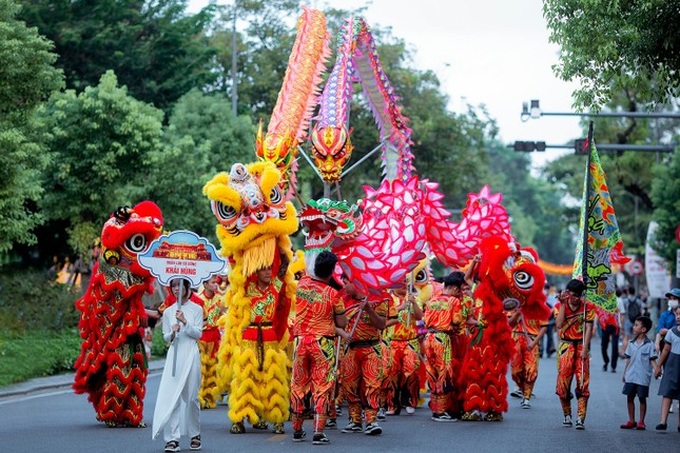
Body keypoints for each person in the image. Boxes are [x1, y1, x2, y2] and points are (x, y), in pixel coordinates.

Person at [290, 251, 347, 445]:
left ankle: (297, 430)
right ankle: (318, 432)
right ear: (332, 272)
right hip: (323, 343)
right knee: (322, 387)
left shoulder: (302, 285)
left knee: (298, 385)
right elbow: (342, 322)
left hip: (300, 342)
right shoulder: (333, 295)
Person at [152, 278, 204, 453]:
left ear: (187, 287)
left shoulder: (197, 309)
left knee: (191, 398)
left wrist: (185, 322)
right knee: (172, 398)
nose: (176, 289)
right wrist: (173, 332)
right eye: (173, 286)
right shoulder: (168, 312)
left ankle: (194, 434)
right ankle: (172, 439)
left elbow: (197, 334)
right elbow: (166, 337)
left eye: (180, 285)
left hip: (190, 353)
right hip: (174, 355)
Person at [340, 276, 389, 435]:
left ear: (356, 282)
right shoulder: (343, 300)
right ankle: (355, 420)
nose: (345, 286)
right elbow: (335, 323)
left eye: (346, 282)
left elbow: (381, 325)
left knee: (372, 385)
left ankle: (371, 421)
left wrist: (368, 309)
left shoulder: (377, 298)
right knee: (349, 385)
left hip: (371, 348)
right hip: (351, 349)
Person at [422, 272, 467, 422]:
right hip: (442, 339)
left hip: (428, 338)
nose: (461, 293)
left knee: (432, 372)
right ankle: (440, 412)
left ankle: (435, 408)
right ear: (454, 288)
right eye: (460, 290)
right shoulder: (453, 301)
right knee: (444, 373)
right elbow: (456, 321)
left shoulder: (432, 300)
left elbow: (425, 320)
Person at [554, 279, 594, 430]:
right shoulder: (560, 305)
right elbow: (558, 324)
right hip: (566, 346)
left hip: (581, 347)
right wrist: (564, 304)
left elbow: (589, 328)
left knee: (583, 382)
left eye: (577, 296)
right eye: (572, 295)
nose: (574, 299)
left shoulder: (587, 307)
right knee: (563, 384)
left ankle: (580, 418)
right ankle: (567, 415)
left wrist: (585, 348)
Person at [619, 316, 658, 430]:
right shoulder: (631, 343)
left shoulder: (650, 345)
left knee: (642, 398)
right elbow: (628, 359)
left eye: (636, 325)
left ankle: (641, 421)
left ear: (643, 329)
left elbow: (652, 359)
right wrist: (624, 373)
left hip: (642, 377)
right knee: (629, 398)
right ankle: (631, 420)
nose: (634, 327)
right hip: (631, 375)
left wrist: (657, 369)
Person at [508, 306, 547, 409]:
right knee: (515, 372)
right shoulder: (514, 305)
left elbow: (544, 326)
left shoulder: (539, 306)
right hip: (515, 339)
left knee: (531, 370)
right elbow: (508, 323)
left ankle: (526, 397)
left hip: (532, 339)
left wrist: (534, 343)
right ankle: (523, 390)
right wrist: (517, 314)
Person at [196, 276, 226, 409]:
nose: (215, 285)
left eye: (216, 282)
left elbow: (223, 314)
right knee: (201, 368)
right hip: (201, 337)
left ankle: (209, 397)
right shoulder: (198, 300)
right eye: (213, 283)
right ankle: (198, 398)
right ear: (205, 284)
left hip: (214, 336)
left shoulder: (219, 299)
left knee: (212, 369)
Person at [654, 305, 680, 431]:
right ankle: (663, 421)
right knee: (667, 393)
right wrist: (658, 366)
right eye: (677, 314)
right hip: (672, 364)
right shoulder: (672, 332)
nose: (678, 317)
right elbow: (665, 350)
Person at [655, 288, 680, 353]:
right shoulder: (665, 315)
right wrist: (657, 344)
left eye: (674, 299)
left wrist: (668, 331)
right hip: (666, 347)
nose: (671, 301)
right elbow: (659, 331)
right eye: (670, 299)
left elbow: (665, 331)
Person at [599, 305, 620, 373]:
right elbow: (598, 313)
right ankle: (606, 361)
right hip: (605, 326)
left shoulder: (618, 301)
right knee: (603, 347)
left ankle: (613, 366)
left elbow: (621, 314)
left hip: (615, 327)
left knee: (615, 346)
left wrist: (621, 326)